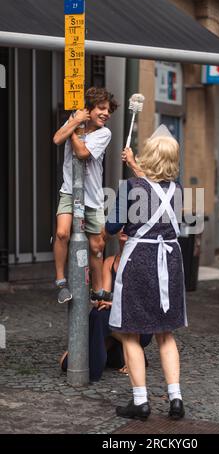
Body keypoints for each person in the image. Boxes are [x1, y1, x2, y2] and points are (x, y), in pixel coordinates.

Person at [104, 125, 187, 421]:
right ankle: (175, 398)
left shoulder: (130, 188)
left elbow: (112, 227)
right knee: (166, 333)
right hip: (171, 262)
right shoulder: (178, 191)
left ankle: (141, 402)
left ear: (148, 156)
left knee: (130, 332)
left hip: (139, 261)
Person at [53, 87, 118, 304]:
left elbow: (81, 153)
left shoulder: (104, 133)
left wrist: (74, 128)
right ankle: (61, 282)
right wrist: (75, 122)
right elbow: (56, 139)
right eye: (101, 108)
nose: (106, 113)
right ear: (88, 109)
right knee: (62, 233)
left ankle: (97, 290)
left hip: (93, 197)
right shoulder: (75, 120)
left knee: (97, 245)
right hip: (69, 191)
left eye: (108, 110)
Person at [60, 229, 152, 381]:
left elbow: (143, 302)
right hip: (116, 320)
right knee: (99, 312)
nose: (124, 229)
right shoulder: (110, 261)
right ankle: (125, 351)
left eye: (128, 225)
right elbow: (104, 298)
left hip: (139, 323)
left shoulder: (143, 261)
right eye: (121, 226)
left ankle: (90, 366)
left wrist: (116, 303)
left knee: (99, 317)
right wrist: (107, 302)